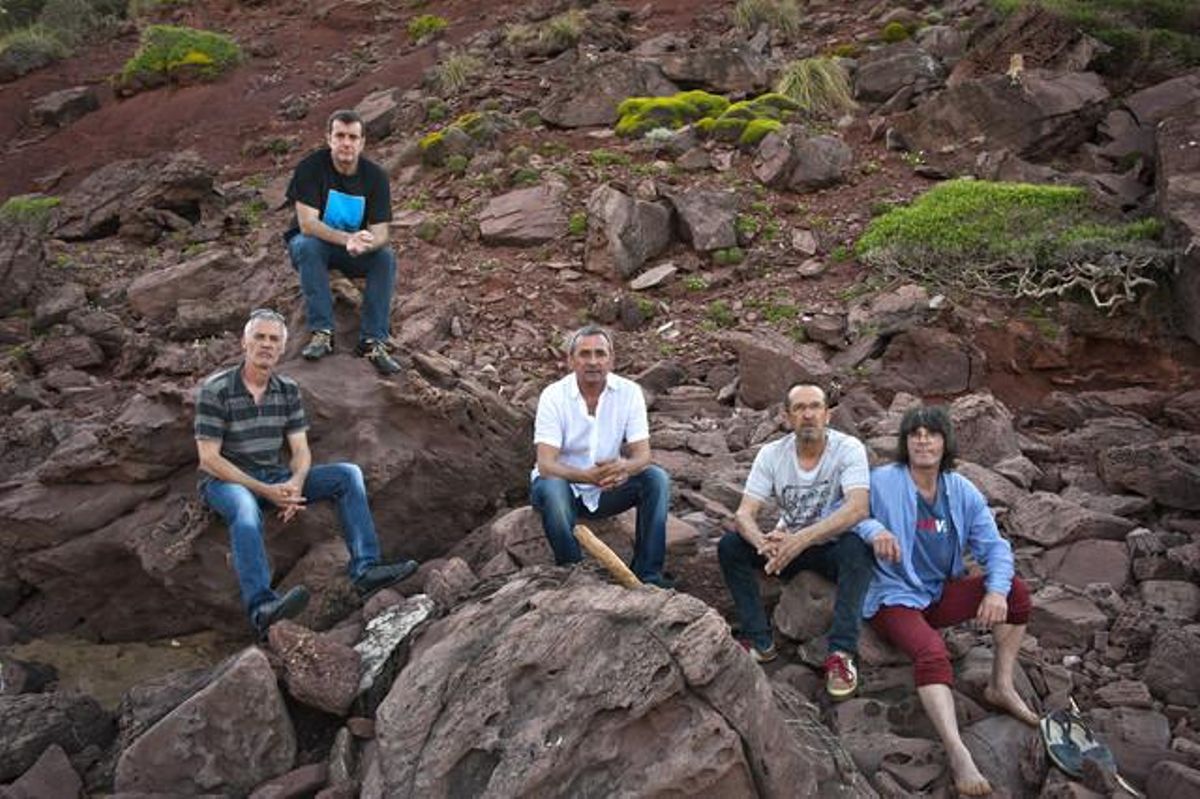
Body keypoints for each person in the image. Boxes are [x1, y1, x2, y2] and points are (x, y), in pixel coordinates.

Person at [194, 308, 419, 637]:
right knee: (244, 510)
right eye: (260, 337)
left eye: (274, 339)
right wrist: (266, 491)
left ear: (283, 348)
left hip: (274, 477)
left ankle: (366, 567)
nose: (266, 345)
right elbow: (208, 459)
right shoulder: (217, 390)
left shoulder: (286, 390)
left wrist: (295, 484)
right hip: (227, 481)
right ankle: (261, 607)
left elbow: (300, 450)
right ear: (245, 342)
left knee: (347, 475)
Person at [857, 406, 1037, 797]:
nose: (923, 439)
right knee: (933, 652)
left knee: (1016, 593)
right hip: (894, 596)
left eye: (932, 433)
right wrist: (874, 530)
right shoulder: (884, 481)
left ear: (945, 442)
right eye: (915, 433)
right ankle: (957, 752)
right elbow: (851, 514)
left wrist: (995, 590)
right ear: (905, 442)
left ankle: (1000, 686)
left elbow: (996, 548)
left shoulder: (961, 490)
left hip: (937, 592)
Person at [717, 382, 874, 699]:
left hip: (830, 546)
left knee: (859, 549)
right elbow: (744, 513)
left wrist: (799, 539)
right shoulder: (772, 454)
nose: (808, 415)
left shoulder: (848, 449)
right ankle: (760, 641)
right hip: (786, 548)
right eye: (799, 408)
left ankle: (840, 654)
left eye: (815, 406)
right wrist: (762, 541)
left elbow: (857, 508)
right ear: (787, 417)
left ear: (827, 415)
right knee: (731, 546)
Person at [530, 324, 672, 588]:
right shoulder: (553, 396)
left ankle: (647, 576)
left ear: (611, 359)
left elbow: (643, 456)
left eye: (600, 353)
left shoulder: (629, 393)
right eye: (584, 354)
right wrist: (585, 476)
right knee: (552, 487)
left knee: (656, 479)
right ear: (571, 360)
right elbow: (546, 464)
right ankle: (575, 575)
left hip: (608, 487)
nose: (593, 361)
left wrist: (623, 469)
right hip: (563, 487)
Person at [285, 108, 400, 375]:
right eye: (340, 136)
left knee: (385, 258)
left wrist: (365, 244)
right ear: (329, 139)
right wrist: (348, 238)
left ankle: (373, 341)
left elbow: (382, 232)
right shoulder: (311, 168)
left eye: (352, 137)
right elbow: (308, 224)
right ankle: (322, 333)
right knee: (307, 245)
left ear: (362, 142)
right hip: (316, 244)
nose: (346, 143)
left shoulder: (375, 177)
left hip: (352, 249)